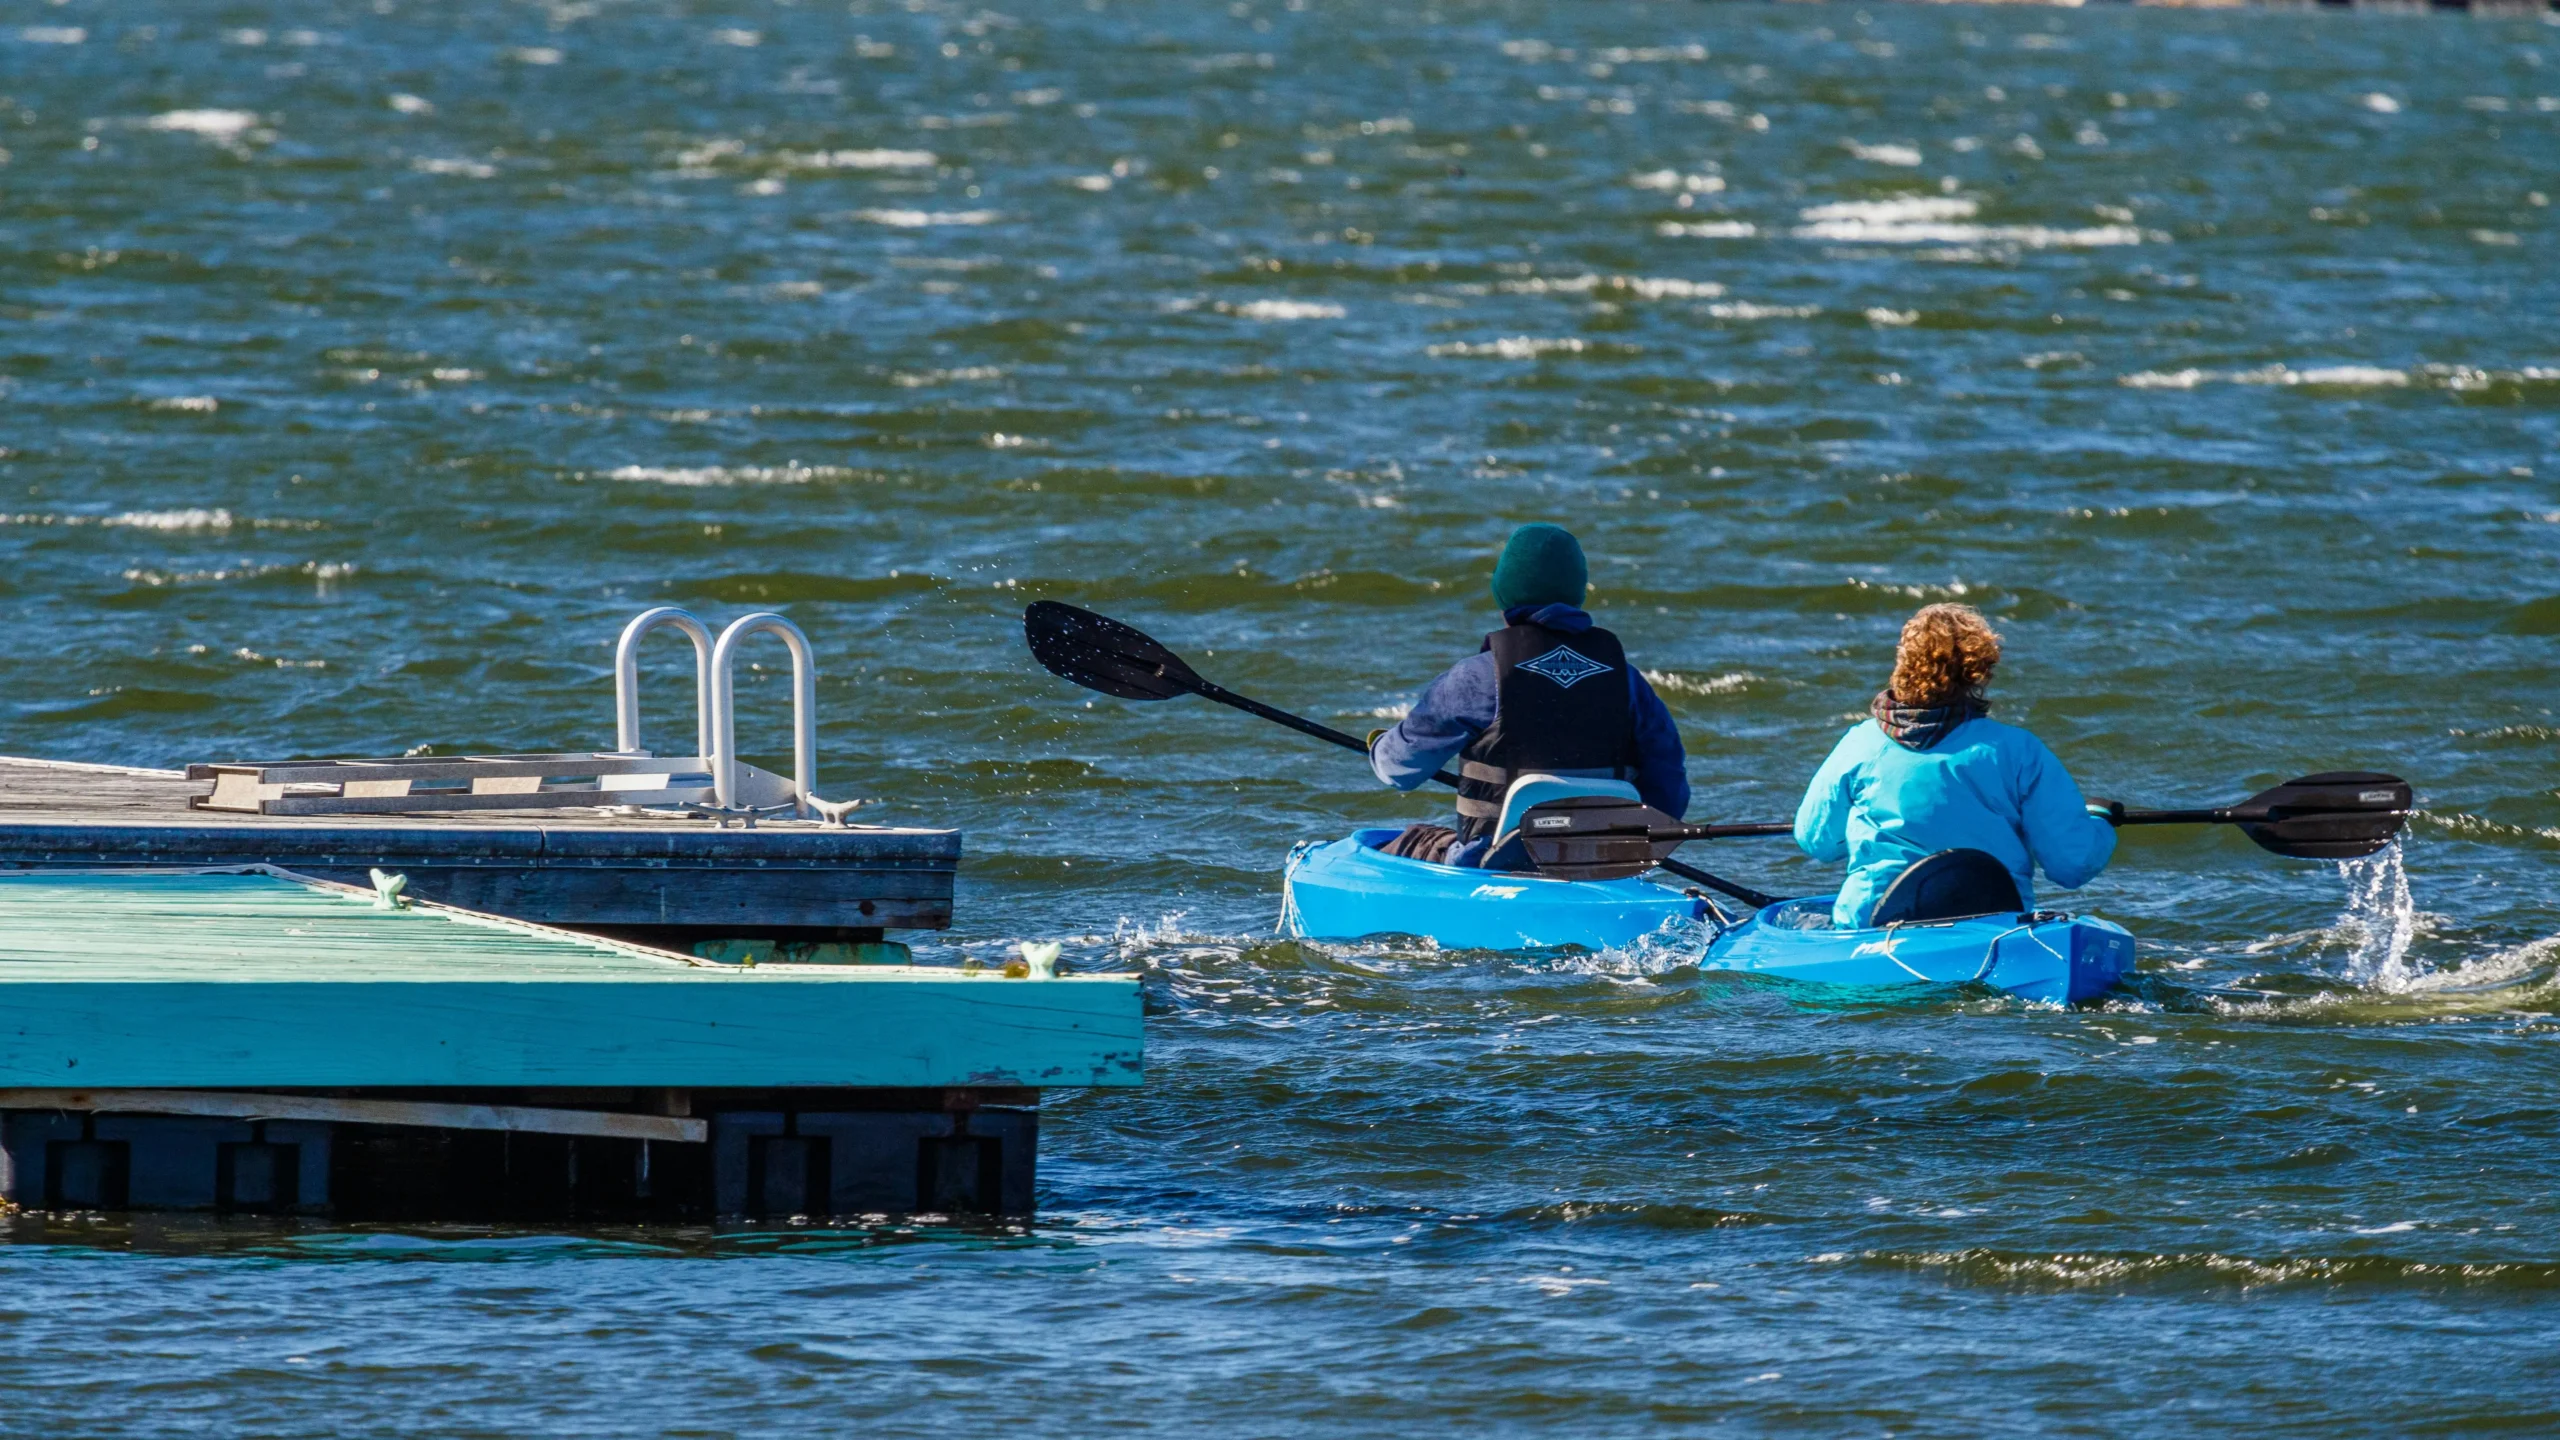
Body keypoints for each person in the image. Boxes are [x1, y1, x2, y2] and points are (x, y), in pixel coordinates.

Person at [1367, 524, 1689, 868]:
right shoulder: (1628, 681)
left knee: (1401, 842)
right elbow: (1669, 798)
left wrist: (1379, 746)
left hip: (1487, 863)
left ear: (1504, 592)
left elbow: (1398, 770)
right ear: (1577, 591)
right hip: (1598, 864)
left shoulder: (1475, 677)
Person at [1793, 602, 2114, 926]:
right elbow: (2072, 865)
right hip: (1993, 924)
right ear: (1979, 672)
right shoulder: (2017, 749)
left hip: (1873, 928)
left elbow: (1817, 842)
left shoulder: (1860, 744)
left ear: (1903, 663)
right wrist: (2099, 820)